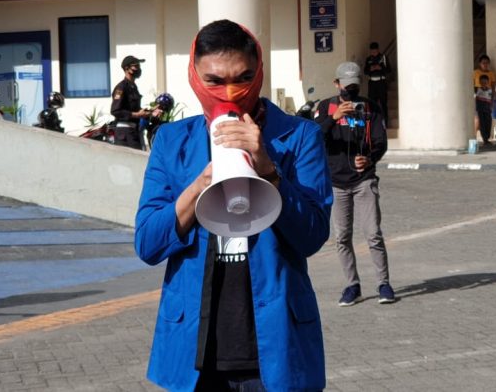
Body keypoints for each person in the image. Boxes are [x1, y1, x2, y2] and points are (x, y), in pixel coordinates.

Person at [134, 20, 331, 391]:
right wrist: (200, 185)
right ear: (194, 76)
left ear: (259, 73)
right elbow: (148, 244)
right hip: (195, 349)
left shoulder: (299, 136)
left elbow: (313, 235)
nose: (230, 92)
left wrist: (269, 170)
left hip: (277, 346)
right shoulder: (173, 141)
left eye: (243, 78)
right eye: (214, 80)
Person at [315, 61, 394, 307]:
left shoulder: (370, 108)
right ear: (336, 84)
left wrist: (369, 158)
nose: (351, 92)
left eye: (355, 87)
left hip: (364, 181)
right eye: (346, 87)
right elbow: (313, 135)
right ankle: (352, 286)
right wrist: (333, 118)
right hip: (337, 183)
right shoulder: (325, 106)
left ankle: (384, 284)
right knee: (342, 237)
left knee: (373, 234)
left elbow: (381, 142)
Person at [111, 55, 159, 150]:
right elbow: (115, 111)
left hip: (133, 131)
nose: (139, 69)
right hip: (124, 133)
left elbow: (134, 109)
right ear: (126, 68)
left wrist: (148, 112)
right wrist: (137, 114)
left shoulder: (133, 87)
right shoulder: (121, 87)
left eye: (139, 66)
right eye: (136, 66)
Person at [364, 42, 391, 125]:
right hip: (372, 82)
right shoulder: (369, 59)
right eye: (372, 51)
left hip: (381, 82)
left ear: (378, 50)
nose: (373, 53)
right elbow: (365, 71)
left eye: (375, 51)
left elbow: (389, 70)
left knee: (383, 103)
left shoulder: (383, 57)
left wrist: (380, 68)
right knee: (372, 103)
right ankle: (373, 122)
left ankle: (385, 122)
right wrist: (370, 69)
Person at [472, 54, 496, 139]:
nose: (485, 64)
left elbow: (493, 87)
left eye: (487, 63)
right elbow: (471, 85)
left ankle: (486, 138)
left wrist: (492, 100)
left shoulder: (491, 74)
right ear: (480, 63)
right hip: (478, 98)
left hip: (487, 98)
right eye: (483, 63)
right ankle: (474, 137)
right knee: (477, 117)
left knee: (487, 119)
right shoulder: (475, 72)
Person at [474, 74, 493, 145]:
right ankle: (485, 139)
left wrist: (491, 106)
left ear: (488, 82)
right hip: (480, 110)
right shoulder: (478, 89)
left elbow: (490, 100)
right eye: (482, 82)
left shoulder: (490, 90)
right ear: (480, 82)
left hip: (487, 109)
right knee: (482, 124)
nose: (484, 84)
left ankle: (487, 138)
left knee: (488, 123)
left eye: (485, 82)